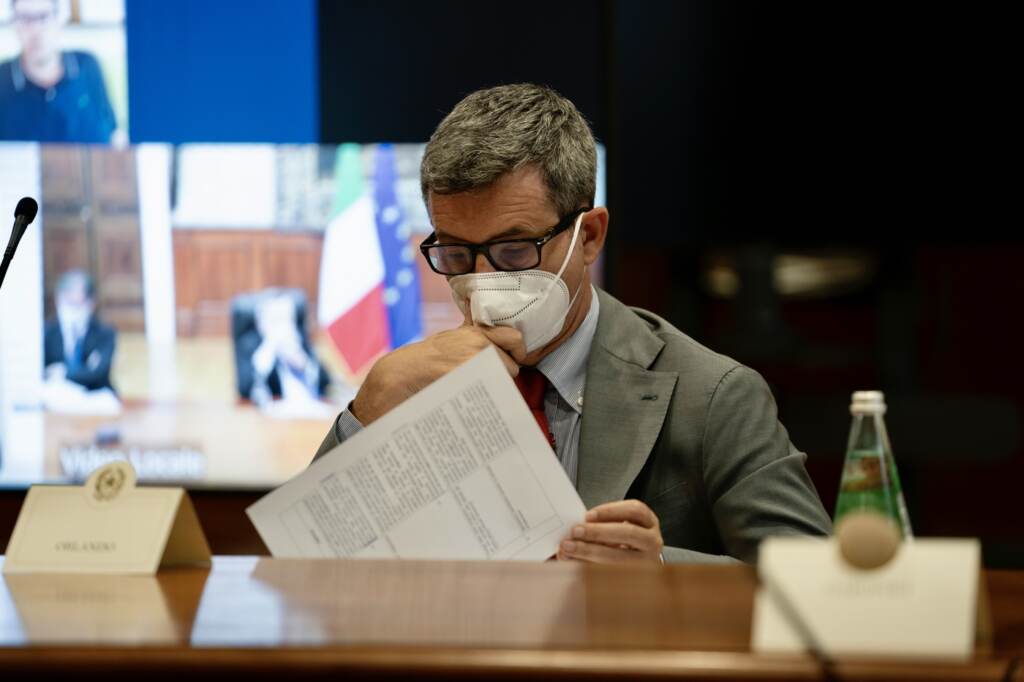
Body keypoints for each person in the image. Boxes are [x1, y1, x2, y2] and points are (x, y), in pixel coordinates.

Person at [312, 84, 831, 563]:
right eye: (455, 253)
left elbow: (810, 579)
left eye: (514, 249)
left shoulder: (714, 395)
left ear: (589, 237)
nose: (482, 282)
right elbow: (304, 567)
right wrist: (368, 408)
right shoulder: (416, 387)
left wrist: (661, 571)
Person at [0, 0, 116, 142]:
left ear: (58, 20)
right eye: (25, 19)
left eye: (43, 17)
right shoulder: (2, 80)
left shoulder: (87, 67)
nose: (35, 30)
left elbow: (114, 134)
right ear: (13, 23)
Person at [235, 291, 330, 407]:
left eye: (285, 319)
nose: (281, 326)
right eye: (275, 320)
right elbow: (246, 389)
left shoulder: (298, 341)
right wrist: (269, 350)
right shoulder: (251, 344)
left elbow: (325, 382)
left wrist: (303, 363)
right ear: (261, 322)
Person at [43, 269, 116, 392]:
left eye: (76, 304)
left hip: (96, 396)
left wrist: (63, 373)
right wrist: (86, 369)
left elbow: (98, 373)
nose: (71, 311)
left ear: (91, 303)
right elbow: (41, 371)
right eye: (67, 303)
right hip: (57, 396)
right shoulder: (47, 333)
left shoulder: (105, 333)